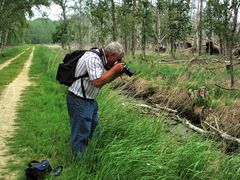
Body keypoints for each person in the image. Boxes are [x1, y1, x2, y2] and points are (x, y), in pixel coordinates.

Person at [66, 42, 125, 157]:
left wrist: (117, 73)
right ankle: (79, 163)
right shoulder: (92, 58)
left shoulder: (103, 60)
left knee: (93, 128)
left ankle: (87, 154)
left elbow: (104, 81)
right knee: (80, 133)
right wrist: (114, 70)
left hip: (90, 100)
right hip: (79, 100)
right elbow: (97, 82)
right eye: (118, 59)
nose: (118, 61)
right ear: (112, 55)